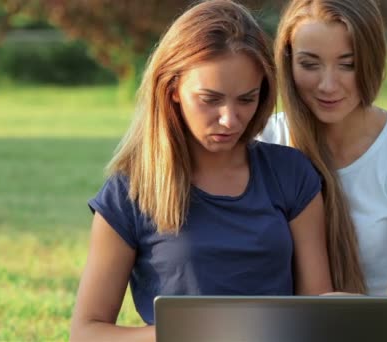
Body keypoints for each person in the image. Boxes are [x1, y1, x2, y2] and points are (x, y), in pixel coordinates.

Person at [70, 1, 334, 341]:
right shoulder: (129, 192)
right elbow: (87, 332)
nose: (230, 119)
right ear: (172, 89)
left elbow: (317, 310)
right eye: (210, 99)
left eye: (246, 99)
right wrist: (188, 334)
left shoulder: (291, 174)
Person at [258, 0, 387, 340]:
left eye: (348, 64)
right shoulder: (264, 142)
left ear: (372, 60)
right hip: (291, 327)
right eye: (309, 64)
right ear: (287, 62)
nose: (328, 85)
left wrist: (341, 316)